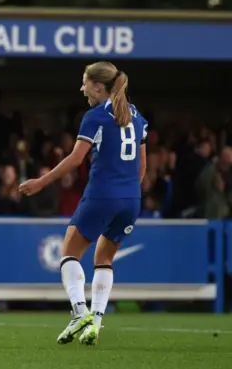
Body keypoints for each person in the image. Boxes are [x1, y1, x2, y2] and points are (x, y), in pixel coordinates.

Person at [19, 62, 147, 346]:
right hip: (131, 200)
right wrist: (128, 195)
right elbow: (142, 167)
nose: (82, 89)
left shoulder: (94, 116)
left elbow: (76, 159)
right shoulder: (137, 116)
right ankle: (96, 323)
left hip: (102, 194)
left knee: (69, 253)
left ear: (98, 87)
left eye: (85, 83)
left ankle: (79, 312)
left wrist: (41, 182)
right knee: (104, 259)